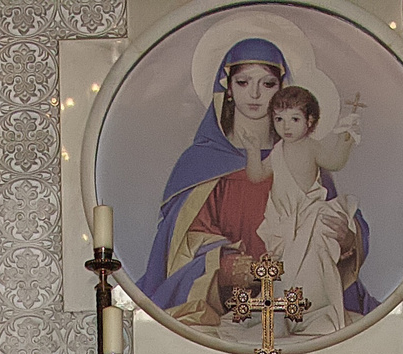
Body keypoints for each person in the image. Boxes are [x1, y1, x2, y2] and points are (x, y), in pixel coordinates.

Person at [136, 37, 373, 327]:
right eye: (244, 82)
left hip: (301, 301)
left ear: (283, 89)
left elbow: (333, 211)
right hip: (229, 311)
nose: (256, 94)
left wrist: (348, 239)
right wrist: (223, 266)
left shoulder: (300, 155)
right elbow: (183, 244)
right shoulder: (201, 163)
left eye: (268, 84)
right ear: (228, 88)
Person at [248, 84, 363, 337]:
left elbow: (335, 162)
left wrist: (347, 137)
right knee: (284, 273)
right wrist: (253, 150)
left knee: (312, 269)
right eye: (279, 119)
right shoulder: (278, 150)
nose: (285, 126)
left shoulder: (312, 146)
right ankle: (284, 318)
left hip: (310, 217)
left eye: (294, 119)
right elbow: (256, 175)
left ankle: (314, 314)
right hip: (283, 220)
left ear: (310, 120)